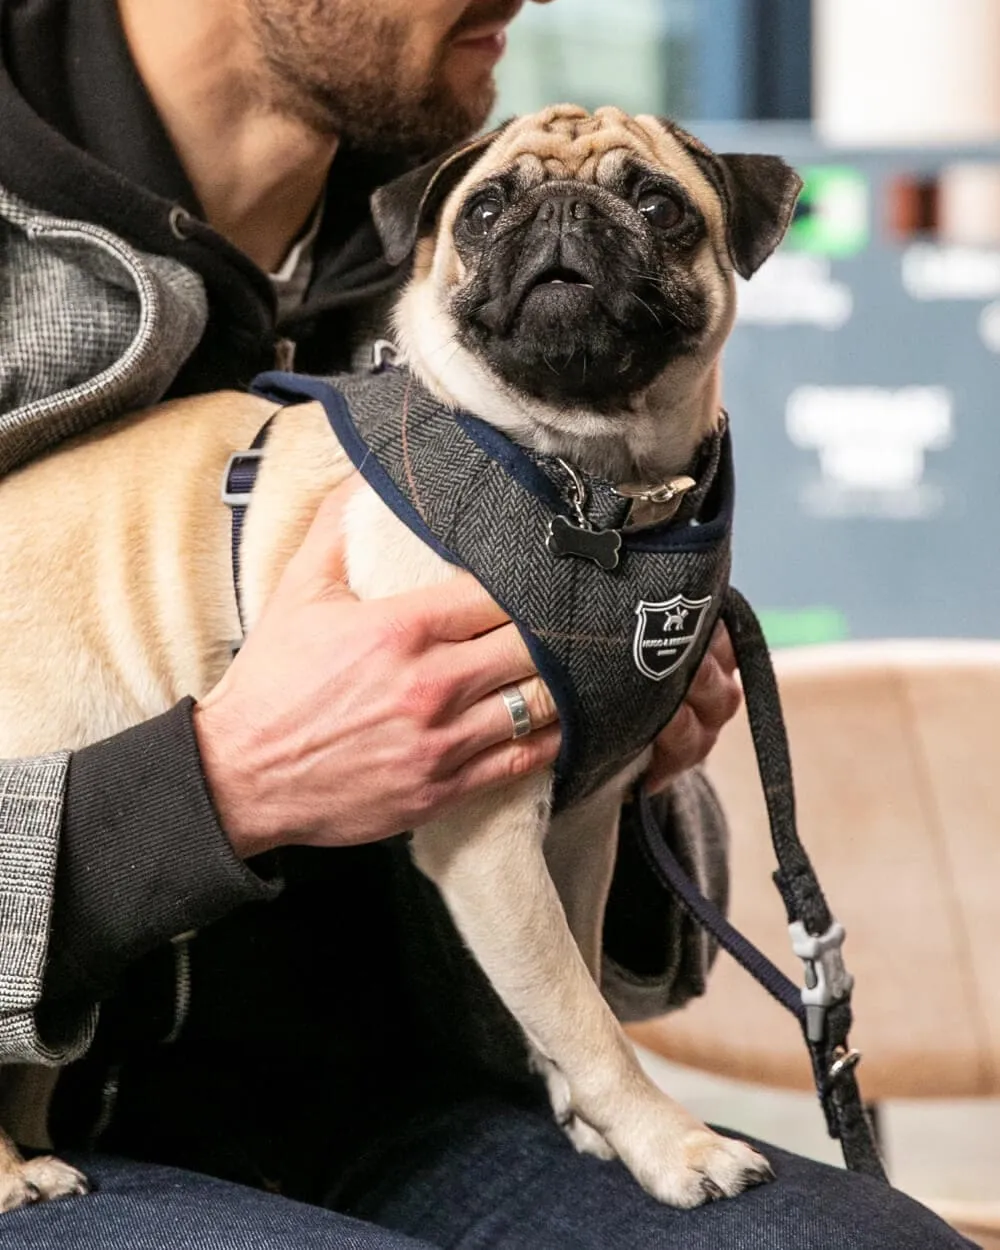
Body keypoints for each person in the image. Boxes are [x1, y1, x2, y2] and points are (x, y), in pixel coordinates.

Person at [0, 1, 976, 1246]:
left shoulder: (443, 232)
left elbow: (607, 921)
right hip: (78, 1124)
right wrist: (215, 788)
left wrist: (620, 746)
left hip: (417, 1105)